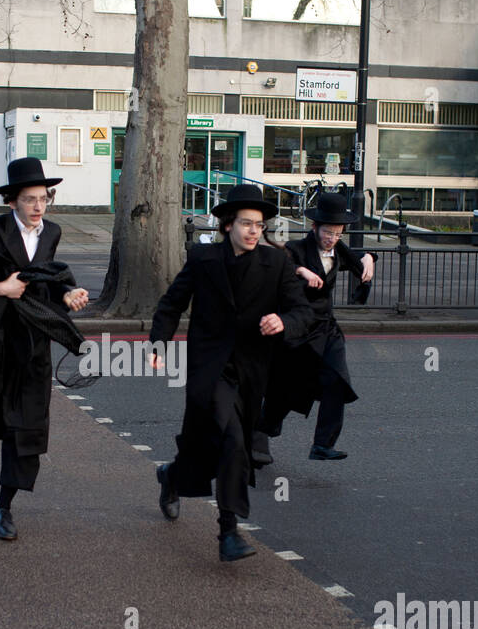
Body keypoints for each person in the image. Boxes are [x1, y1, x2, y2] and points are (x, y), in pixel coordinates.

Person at [150, 185, 314, 561]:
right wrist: (159, 342)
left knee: (207, 448)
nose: (254, 231)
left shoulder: (278, 263)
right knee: (234, 440)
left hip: (251, 372)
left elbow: (303, 312)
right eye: (246, 224)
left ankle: (171, 476)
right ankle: (228, 531)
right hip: (210, 368)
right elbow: (172, 303)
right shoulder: (204, 258)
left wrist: (283, 320)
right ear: (227, 226)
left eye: (259, 225)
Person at [0, 157, 89, 541]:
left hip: (31, 344)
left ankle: (3, 508)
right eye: (30, 199)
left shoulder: (52, 232)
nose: (38, 207)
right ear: (12, 201)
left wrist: (68, 293)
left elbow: (48, 279)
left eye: (43, 198)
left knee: (27, 426)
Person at [257, 192, 374, 462]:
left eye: (337, 233)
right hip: (297, 331)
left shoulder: (340, 250)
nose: (331, 238)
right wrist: (301, 271)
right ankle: (259, 431)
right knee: (285, 392)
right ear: (314, 227)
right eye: (327, 232)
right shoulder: (296, 250)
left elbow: (359, 259)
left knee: (337, 382)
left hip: (326, 329)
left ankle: (322, 444)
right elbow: (276, 263)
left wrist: (369, 257)